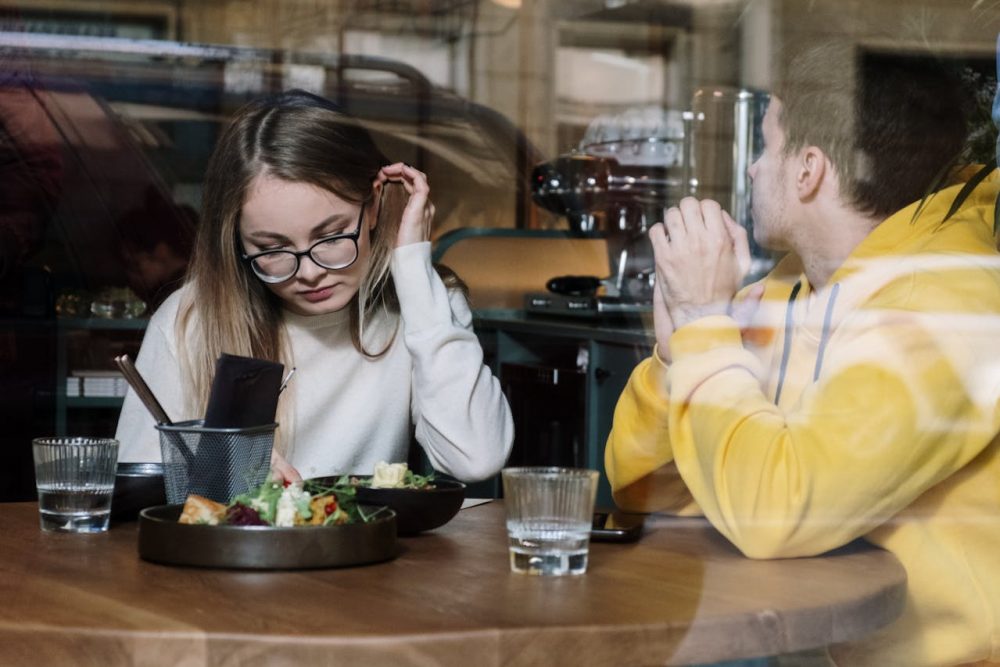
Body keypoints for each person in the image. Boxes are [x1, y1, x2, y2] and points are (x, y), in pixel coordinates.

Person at [605, 43, 1000, 665]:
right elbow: (654, 496)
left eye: (766, 146)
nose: (754, 170)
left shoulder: (949, 308)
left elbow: (773, 514)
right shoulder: (791, 289)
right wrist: (678, 348)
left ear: (809, 168)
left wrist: (708, 322)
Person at [116, 89, 514, 483]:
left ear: (372, 205)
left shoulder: (425, 303)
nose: (308, 272)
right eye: (272, 248)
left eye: (332, 236)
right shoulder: (189, 320)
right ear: (236, 239)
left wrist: (412, 267)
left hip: (367, 547)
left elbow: (476, 458)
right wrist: (221, 472)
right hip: (238, 547)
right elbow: (139, 489)